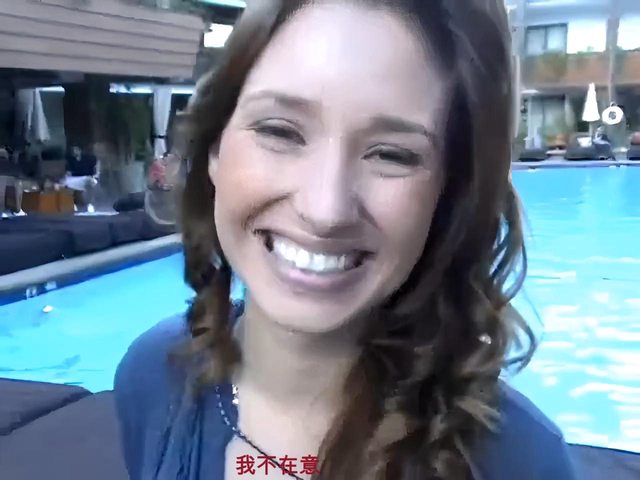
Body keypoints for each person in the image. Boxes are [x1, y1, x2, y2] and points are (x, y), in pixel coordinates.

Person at [114, 1, 578, 479]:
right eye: (280, 131)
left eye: (391, 155)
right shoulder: (153, 379)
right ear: (215, 146)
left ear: (449, 194)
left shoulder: (520, 461)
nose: (326, 210)